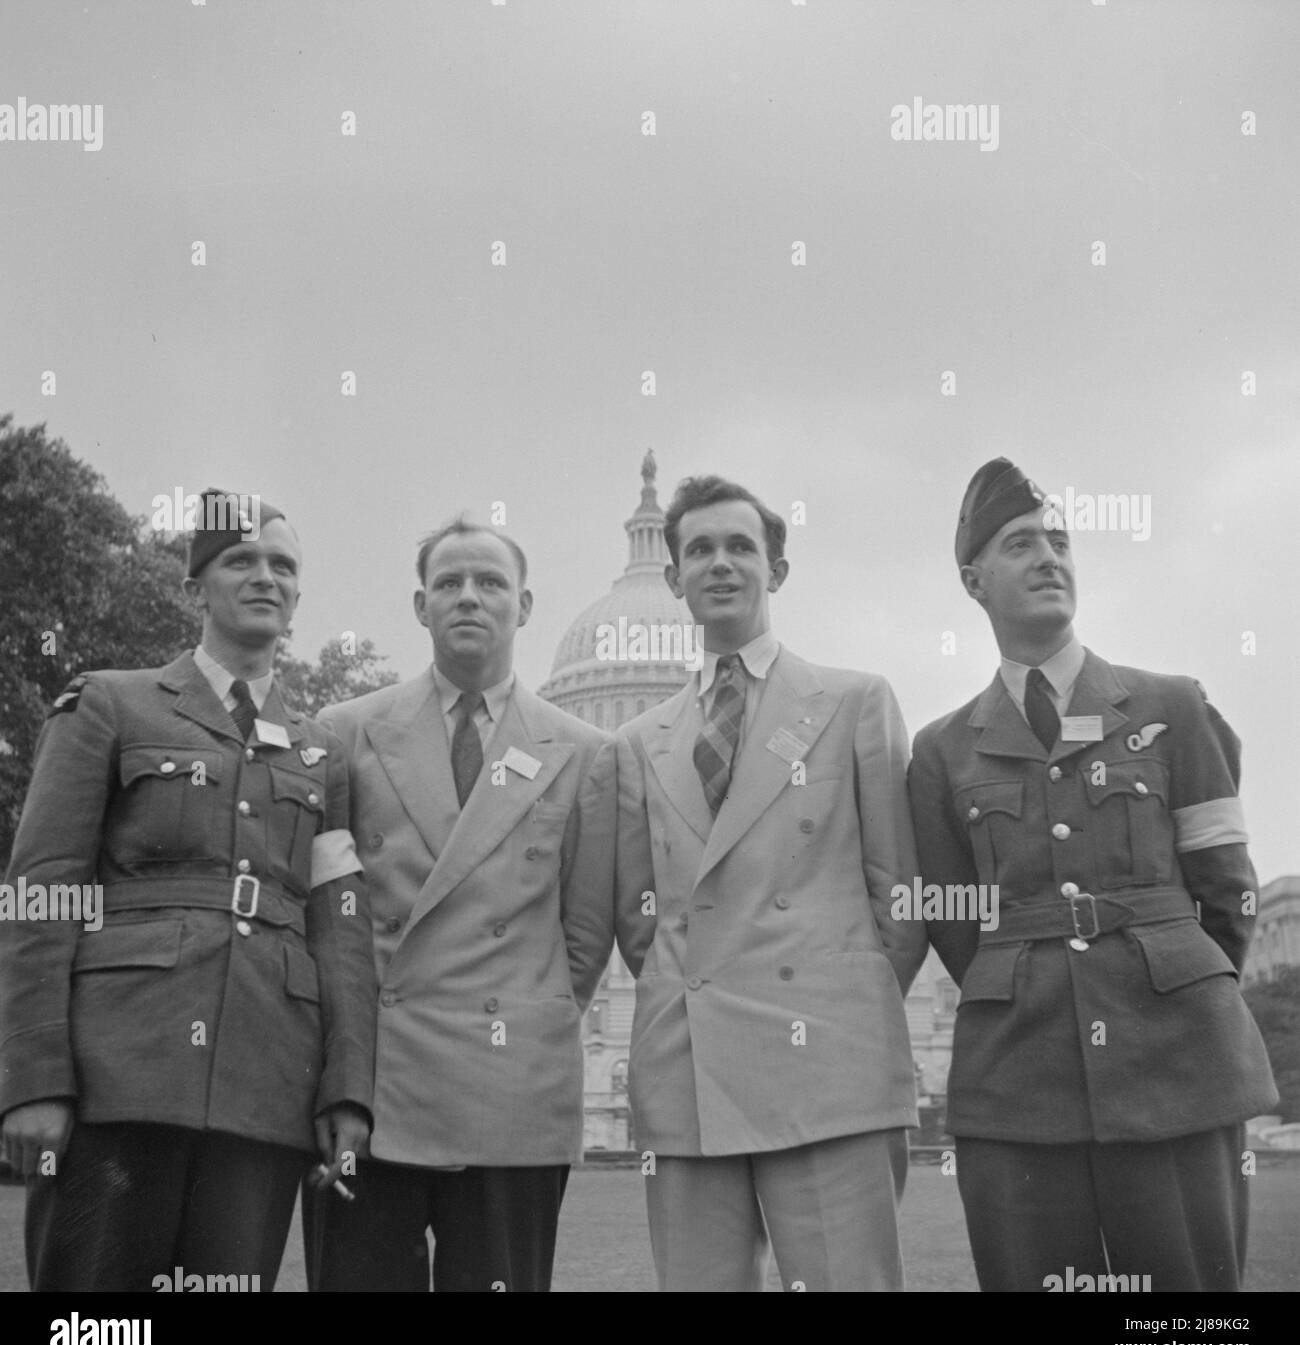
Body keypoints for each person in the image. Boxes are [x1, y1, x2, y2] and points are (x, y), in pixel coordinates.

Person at [908, 457, 1278, 1292]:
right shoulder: (942, 750)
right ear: (974, 580)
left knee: (1189, 1327)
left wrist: (1169, 985)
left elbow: (1228, 892)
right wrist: (1030, 977)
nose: (1049, 557)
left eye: (1060, 541)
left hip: (1176, 1062)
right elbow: (953, 918)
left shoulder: (1171, 707)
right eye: (1020, 543)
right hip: (1019, 1079)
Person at [0, 488, 376, 1291]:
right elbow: (40, 895)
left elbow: (339, 930)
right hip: (119, 1080)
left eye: (283, 566)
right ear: (194, 587)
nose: (265, 577)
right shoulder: (108, 703)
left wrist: (347, 1091)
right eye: (240, 561)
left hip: (263, 1088)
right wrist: (33, 1080)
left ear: (300, 595)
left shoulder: (322, 757)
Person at [614, 475, 925, 1292]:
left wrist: (832, 1000)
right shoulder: (641, 740)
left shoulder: (856, 702)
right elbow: (637, 916)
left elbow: (902, 899)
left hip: (825, 1065)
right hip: (687, 1068)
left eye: (741, 546)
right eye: (701, 550)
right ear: (674, 575)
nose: (721, 564)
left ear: (776, 571)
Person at [306, 519, 616, 1292]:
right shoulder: (344, 733)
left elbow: (585, 934)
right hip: (374, 1091)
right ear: (420, 606)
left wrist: (524, 1013)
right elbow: (330, 917)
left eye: (489, 584)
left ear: (526, 604)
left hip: (512, 1089)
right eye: (449, 584)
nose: (468, 599)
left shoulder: (584, 752)